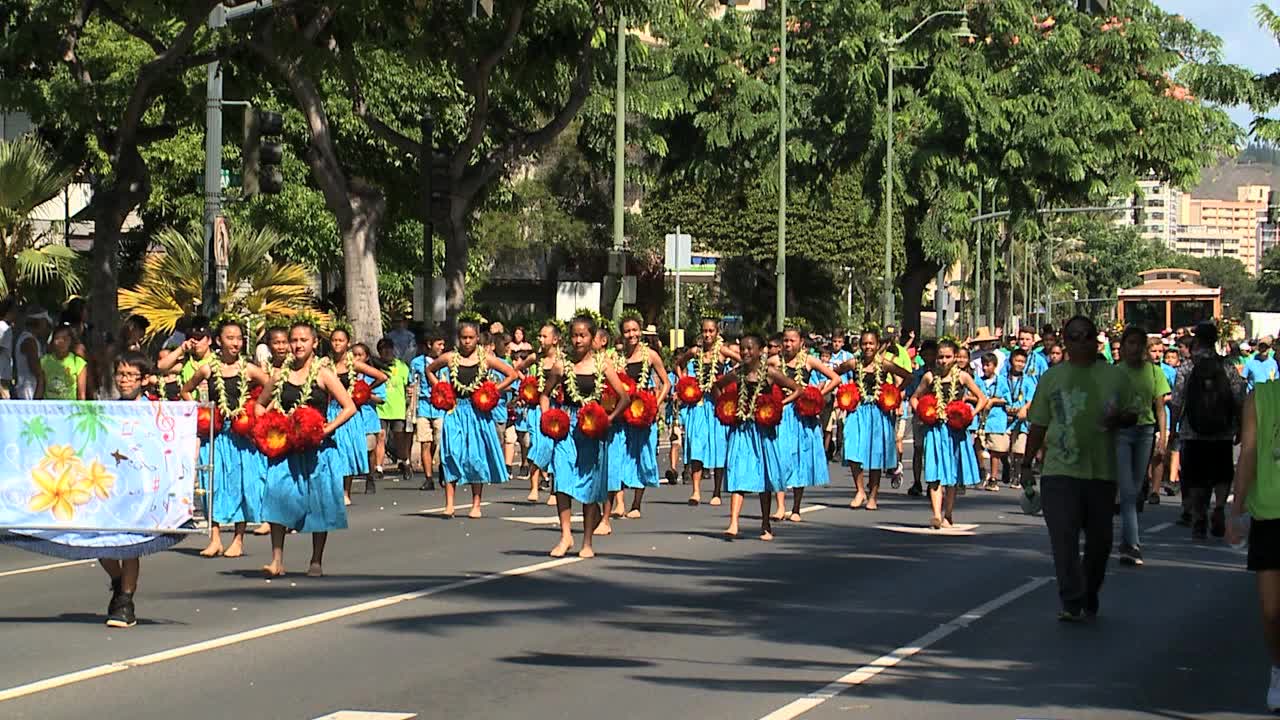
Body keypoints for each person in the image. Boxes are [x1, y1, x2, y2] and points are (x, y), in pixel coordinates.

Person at [1, 351, 188, 627]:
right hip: (107, 487)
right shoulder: (106, 409)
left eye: (130, 376)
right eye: (120, 375)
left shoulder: (156, 412)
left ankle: (125, 602)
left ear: (144, 379)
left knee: (131, 544)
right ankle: (117, 580)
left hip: (142, 490)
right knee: (97, 539)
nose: (124, 381)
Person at [1022, 315, 1134, 622]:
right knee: (1064, 539)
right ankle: (1071, 600)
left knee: (1100, 543)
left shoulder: (1115, 377)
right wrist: (1026, 463)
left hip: (1101, 473)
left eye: (1086, 336)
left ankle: (1090, 590)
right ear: (1064, 341)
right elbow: (1038, 424)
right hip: (1059, 471)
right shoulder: (1052, 378)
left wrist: (1119, 419)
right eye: (1073, 337)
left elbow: (1134, 413)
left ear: (1096, 339)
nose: (1081, 342)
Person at [255, 321, 357, 577]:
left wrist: (325, 429)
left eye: (303, 340)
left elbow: (349, 407)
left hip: (317, 451)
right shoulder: (279, 375)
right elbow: (259, 405)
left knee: (318, 502)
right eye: (294, 340)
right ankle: (277, 560)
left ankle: (316, 560)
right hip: (286, 450)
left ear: (314, 343)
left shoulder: (323, 374)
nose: (298, 345)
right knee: (277, 495)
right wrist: (270, 425)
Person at [181, 319, 271, 558]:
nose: (235, 342)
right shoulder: (208, 368)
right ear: (219, 340)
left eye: (239, 338)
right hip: (217, 435)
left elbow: (272, 386)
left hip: (242, 436)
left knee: (241, 484)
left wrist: (258, 409)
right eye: (230, 337)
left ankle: (238, 539)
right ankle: (215, 538)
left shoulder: (249, 369)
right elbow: (185, 390)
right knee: (214, 484)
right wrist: (201, 411)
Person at [543, 315, 631, 558]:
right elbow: (545, 394)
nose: (578, 340)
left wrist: (608, 419)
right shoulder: (562, 365)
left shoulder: (603, 365)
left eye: (583, 335)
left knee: (589, 485)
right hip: (567, 428)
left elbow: (624, 398)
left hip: (592, 428)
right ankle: (565, 535)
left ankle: (587, 542)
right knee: (561, 477)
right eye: (574, 335)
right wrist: (547, 417)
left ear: (593, 338)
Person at [424, 322, 518, 518]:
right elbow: (430, 370)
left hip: (478, 412)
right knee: (451, 454)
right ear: (458, 339)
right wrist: (441, 389)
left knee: (476, 457)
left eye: (471, 338)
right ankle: (449, 503)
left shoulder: (486, 360)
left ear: (477, 339)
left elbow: (512, 374)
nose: (467, 342)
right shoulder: (451, 358)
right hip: (455, 410)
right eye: (463, 338)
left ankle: (476, 504)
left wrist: (493, 390)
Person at [715, 333, 801, 540]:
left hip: (763, 430)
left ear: (761, 350)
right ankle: (733, 522)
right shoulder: (737, 373)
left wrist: (778, 405)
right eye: (742, 348)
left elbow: (797, 389)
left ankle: (765, 523)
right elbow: (717, 386)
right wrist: (727, 407)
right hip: (742, 429)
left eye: (750, 348)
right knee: (737, 472)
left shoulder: (770, 373)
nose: (745, 352)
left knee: (764, 476)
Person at [1227, 381, 1280, 712]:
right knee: (1272, 611)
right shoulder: (1261, 397)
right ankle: (1278, 670)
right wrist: (1236, 510)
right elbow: (1248, 452)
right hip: (1270, 514)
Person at [1170, 321, 1245, 540]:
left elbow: (1177, 401)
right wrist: (1240, 425)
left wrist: (1174, 428)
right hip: (1222, 431)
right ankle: (1220, 507)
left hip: (1193, 431)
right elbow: (1239, 398)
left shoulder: (1187, 366)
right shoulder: (1227, 367)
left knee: (1195, 474)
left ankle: (1199, 514)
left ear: (1197, 340)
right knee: (1222, 472)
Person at [909, 339, 987, 529]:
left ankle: (948, 514)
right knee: (935, 472)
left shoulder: (962, 377)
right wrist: (923, 414)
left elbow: (982, 399)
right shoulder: (929, 377)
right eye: (940, 357)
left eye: (947, 357)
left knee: (951, 475)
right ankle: (936, 514)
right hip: (935, 429)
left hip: (955, 431)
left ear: (954, 358)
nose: (943, 361)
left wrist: (969, 415)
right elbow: (914, 398)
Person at [836, 330, 912, 511]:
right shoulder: (854, 363)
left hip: (878, 412)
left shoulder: (885, 364)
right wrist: (844, 390)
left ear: (877, 345)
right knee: (853, 449)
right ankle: (860, 490)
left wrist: (894, 393)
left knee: (875, 454)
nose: (868, 347)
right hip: (857, 410)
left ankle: (873, 496)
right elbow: (834, 373)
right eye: (864, 344)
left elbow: (909, 376)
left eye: (871, 344)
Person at [1113, 327, 1169, 566]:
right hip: (1121, 433)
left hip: (1145, 432)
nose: (1134, 348)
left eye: (1139, 343)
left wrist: (1163, 438)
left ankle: (1127, 540)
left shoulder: (1155, 373)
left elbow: (1160, 409)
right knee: (1126, 490)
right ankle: (1133, 544)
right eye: (1130, 343)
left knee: (1135, 491)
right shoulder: (1114, 373)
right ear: (1123, 347)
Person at [607, 316, 671, 520]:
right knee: (618, 455)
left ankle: (636, 504)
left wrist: (655, 404)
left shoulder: (650, 355)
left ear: (640, 331)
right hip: (622, 415)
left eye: (635, 330)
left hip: (643, 415)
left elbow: (666, 383)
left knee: (640, 457)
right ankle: (619, 503)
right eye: (627, 331)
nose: (631, 334)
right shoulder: (616, 357)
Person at [674, 318, 741, 506]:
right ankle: (695, 491)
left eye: (711, 331)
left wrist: (725, 380)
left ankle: (717, 491)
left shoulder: (722, 351)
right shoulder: (695, 352)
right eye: (704, 331)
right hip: (699, 405)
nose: (708, 334)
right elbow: (679, 364)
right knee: (696, 445)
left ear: (717, 332)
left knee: (718, 446)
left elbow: (743, 364)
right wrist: (685, 382)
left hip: (717, 405)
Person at [775, 327, 839, 520]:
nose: (788, 344)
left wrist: (818, 395)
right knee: (780, 457)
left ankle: (795, 508)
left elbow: (835, 378)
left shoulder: (809, 361)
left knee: (799, 459)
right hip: (782, 414)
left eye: (792, 340)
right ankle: (779, 506)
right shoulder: (775, 362)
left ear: (801, 342)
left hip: (802, 415)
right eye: (785, 340)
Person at [327, 327, 388, 505]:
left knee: (347, 450)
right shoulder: (324, 365)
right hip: (331, 411)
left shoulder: (352, 364)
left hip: (348, 412)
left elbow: (381, 376)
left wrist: (363, 391)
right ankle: (334, 490)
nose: (337, 343)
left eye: (341, 340)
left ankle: (346, 492)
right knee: (333, 452)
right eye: (334, 340)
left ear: (347, 343)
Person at [411, 332, 447, 491]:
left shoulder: (446, 362)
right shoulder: (417, 363)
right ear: (429, 344)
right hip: (424, 406)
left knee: (439, 441)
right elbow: (412, 382)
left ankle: (441, 466)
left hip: (441, 408)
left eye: (443, 344)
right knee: (425, 442)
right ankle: (428, 477)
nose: (441, 348)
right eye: (438, 344)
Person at [903, 340, 938, 497]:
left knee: (934, 450)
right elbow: (912, 394)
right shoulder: (918, 375)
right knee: (918, 448)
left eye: (932, 354)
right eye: (926, 354)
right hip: (920, 416)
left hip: (938, 416)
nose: (929, 357)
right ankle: (917, 481)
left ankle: (933, 482)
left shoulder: (940, 374)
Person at [375, 338, 412, 482]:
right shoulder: (376, 366)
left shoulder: (401, 366)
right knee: (381, 437)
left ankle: (404, 462)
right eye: (383, 349)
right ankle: (379, 467)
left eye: (389, 349)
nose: (387, 352)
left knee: (399, 437)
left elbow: (408, 384)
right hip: (381, 407)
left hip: (397, 408)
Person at [977, 353, 1011, 491]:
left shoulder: (1001, 381)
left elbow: (1007, 399)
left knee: (995, 450)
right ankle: (982, 471)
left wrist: (993, 401)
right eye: (983, 365)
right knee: (978, 444)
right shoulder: (978, 381)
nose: (985, 368)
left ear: (995, 366)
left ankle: (994, 477)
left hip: (996, 419)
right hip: (981, 419)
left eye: (988, 365)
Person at [1004, 348, 1038, 490]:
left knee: (1019, 450)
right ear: (1011, 361)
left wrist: (1024, 409)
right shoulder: (1003, 378)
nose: (1020, 364)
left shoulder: (1029, 381)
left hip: (1022, 419)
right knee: (1003, 447)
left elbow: (1031, 399)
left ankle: (1016, 475)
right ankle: (1007, 465)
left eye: (1023, 362)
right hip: (1005, 418)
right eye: (1017, 361)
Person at [39, 324, 87, 400]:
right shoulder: (44, 361)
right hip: (49, 409)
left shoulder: (78, 363)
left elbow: (81, 394)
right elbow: (40, 389)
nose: (61, 342)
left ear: (71, 341)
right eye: (57, 338)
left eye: (65, 339)